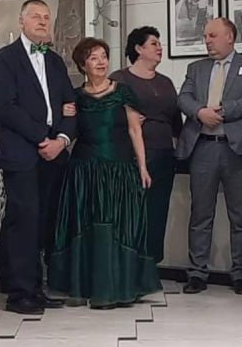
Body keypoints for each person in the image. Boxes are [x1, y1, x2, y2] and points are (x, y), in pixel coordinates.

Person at [49, 37, 161, 309]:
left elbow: (135, 130)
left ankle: (117, 287)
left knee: (117, 226)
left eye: (104, 56)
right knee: (85, 225)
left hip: (119, 169)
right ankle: (84, 286)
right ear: (82, 65)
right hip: (84, 170)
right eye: (94, 58)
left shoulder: (123, 92)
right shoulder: (75, 97)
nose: (101, 62)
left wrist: (142, 167)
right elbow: (68, 128)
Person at [0, 0, 76, 315]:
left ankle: (36, 288)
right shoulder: (6, 58)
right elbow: (7, 106)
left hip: (54, 154)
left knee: (43, 221)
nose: (42, 21)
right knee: (23, 220)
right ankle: (18, 292)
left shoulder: (54, 61)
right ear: (21, 21)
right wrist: (43, 137)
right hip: (23, 152)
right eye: (36, 16)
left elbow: (70, 106)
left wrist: (62, 140)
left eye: (46, 17)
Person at [177, 18, 242, 294]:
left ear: (230, 37)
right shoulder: (196, 68)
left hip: (237, 148)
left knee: (241, 214)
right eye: (205, 36)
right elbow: (183, 98)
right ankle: (197, 272)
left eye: (212, 35)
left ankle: (241, 273)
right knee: (200, 213)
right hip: (203, 147)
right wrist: (199, 112)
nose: (207, 41)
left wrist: (223, 111)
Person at [112, 26, 182, 266]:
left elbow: (176, 122)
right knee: (131, 211)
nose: (159, 48)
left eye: (159, 43)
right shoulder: (120, 79)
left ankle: (150, 265)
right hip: (132, 155)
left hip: (163, 155)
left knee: (157, 211)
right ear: (138, 49)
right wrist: (125, 119)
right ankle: (128, 265)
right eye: (154, 43)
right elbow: (107, 115)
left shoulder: (165, 82)